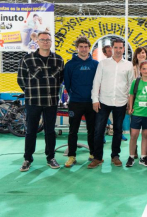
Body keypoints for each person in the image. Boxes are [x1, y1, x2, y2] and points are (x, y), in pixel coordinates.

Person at [17, 31, 65, 171]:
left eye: (48, 40)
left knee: (50, 131)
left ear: (51, 42)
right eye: (42, 40)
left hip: (51, 102)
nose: (45, 42)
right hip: (33, 101)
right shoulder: (27, 59)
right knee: (31, 131)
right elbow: (21, 79)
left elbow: (60, 79)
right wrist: (31, 92)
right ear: (37, 41)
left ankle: (51, 157)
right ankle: (27, 159)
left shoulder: (58, 59)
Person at [88, 38, 134, 169]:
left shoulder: (128, 65)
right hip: (104, 101)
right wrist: (95, 100)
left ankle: (115, 155)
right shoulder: (103, 64)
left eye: (121, 48)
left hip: (121, 102)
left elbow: (131, 85)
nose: (118, 50)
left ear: (123, 49)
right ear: (112, 48)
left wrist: (130, 103)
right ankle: (97, 157)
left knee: (118, 130)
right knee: (98, 130)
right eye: (116, 48)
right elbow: (96, 82)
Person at [63, 36, 99, 168]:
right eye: (81, 47)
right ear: (77, 48)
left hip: (92, 103)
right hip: (76, 103)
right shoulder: (70, 65)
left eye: (86, 47)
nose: (83, 49)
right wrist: (75, 95)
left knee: (92, 130)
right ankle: (71, 156)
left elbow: (99, 83)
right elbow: (67, 84)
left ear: (89, 48)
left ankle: (93, 153)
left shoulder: (95, 64)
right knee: (73, 131)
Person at [126, 61, 147, 168]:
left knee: (146, 136)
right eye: (143, 69)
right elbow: (131, 95)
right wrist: (130, 107)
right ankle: (131, 157)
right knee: (134, 135)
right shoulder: (136, 82)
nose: (146, 71)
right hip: (137, 113)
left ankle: (143, 157)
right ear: (140, 70)